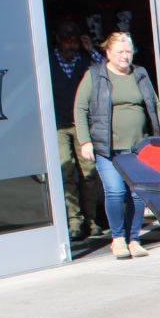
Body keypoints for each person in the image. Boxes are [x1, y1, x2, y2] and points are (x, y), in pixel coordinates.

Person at [74, 32, 160, 259]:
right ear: (108, 53)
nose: (126, 56)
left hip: (137, 147)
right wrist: (85, 141)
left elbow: (154, 104)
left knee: (136, 194)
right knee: (115, 191)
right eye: (120, 52)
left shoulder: (140, 73)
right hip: (107, 148)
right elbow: (80, 108)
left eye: (128, 51)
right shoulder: (95, 75)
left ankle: (134, 239)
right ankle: (118, 238)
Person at [48, 19, 100, 240]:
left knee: (88, 173)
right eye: (66, 41)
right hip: (58, 125)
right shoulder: (49, 61)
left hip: (81, 125)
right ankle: (74, 221)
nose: (71, 46)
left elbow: (106, 70)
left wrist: (91, 50)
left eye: (74, 41)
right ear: (58, 40)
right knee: (66, 171)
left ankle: (92, 219)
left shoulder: (86, 58)